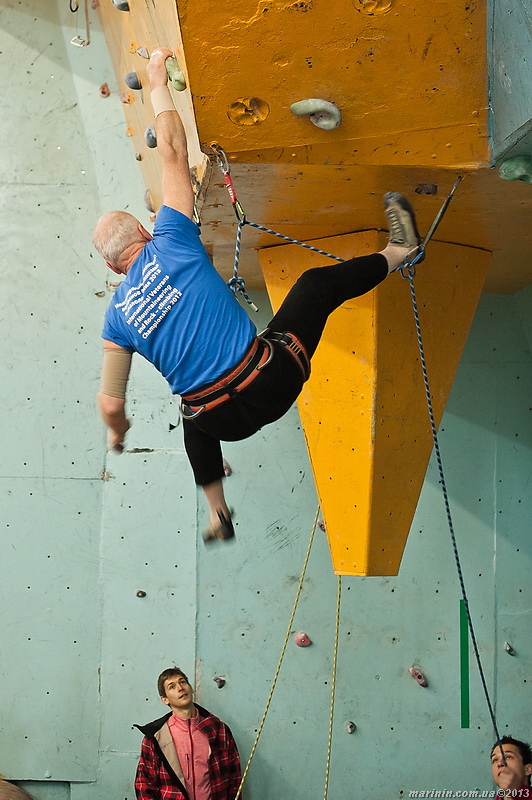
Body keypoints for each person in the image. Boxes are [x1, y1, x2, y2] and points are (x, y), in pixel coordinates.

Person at [93, 47, 423, 542]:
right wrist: (158, 82)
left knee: (191, 410)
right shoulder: (172, 237)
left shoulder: (116, 320)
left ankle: (218, 512)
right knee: (314, 288)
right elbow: (174, 153)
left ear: (109, 266)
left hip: (227, 423)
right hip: (272, 379)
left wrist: (118, 436)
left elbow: (111, 405)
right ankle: (401, 250)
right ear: (143, 228)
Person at [134, 667, 241, 800]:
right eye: (172, 687)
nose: (180, 688)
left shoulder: (219, 730)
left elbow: (234, 779)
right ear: (165, 699)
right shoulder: (156, 737)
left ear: (191, 688)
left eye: (183, 682)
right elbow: (144, 785)